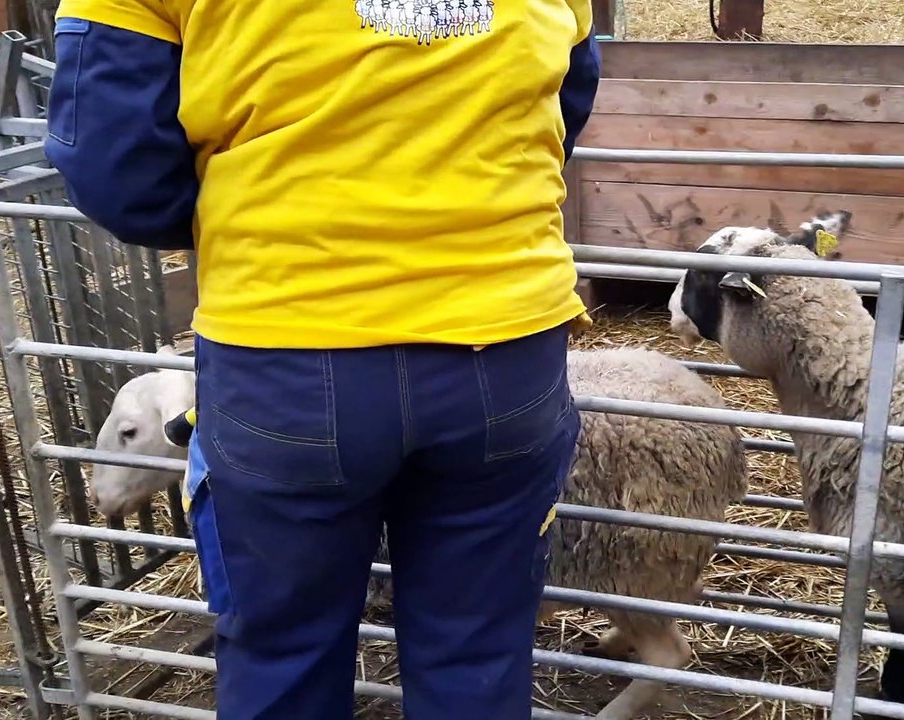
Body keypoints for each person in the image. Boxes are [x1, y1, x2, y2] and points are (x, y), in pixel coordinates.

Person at [42, 0, 601, 716]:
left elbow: (115, 167)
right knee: (476, 651)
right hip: (501, 351)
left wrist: (260, 213)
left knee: (284, 656)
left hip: (289, 351)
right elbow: (566, 105)